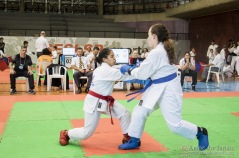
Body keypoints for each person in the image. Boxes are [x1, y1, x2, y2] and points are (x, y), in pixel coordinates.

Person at [118, 23, 209, 151]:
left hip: (168, 89)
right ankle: (134, 139)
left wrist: (129, 69)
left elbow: (143, 73)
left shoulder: (158, 52)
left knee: (175, 125)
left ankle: (200, 132)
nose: (147, 39)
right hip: (156, 87)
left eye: (148, 36)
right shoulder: (162, 49)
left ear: (154, 36)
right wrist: (133, 69)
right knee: (140, 111)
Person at [59, 48, 136, 146]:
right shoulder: (108, 71)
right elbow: (128, 77)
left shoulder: (101, 69)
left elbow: (108, 80)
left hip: (106, 100)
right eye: (111, 56)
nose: (114, 58)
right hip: (94, 102)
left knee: (124, 113)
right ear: (104, 59)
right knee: (86, 133)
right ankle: (66, 133)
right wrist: (140, 73)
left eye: (114, 56)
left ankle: (127, 137)